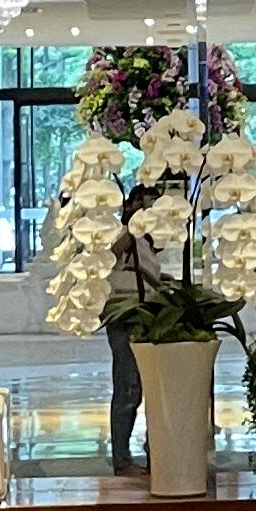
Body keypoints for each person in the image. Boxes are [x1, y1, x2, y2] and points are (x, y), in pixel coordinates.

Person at [102, 185, 163, 475]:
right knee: (128, 387)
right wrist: (133, 226)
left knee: (144, 387)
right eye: (146, 202)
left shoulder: (147, 241)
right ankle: (121, 459)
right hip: (125, 315)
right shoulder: (117, 233)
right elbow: (108, 256)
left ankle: (154, 453)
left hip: (147, 314)